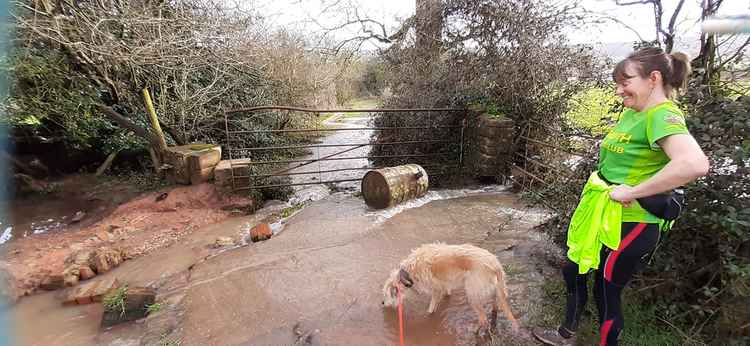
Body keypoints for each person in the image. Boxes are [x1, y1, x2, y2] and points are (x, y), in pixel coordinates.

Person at [532, 47, 710, 346]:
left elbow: (694, 164)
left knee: (606, 291)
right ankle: (566, 334)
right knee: (573, 268)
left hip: (632, 221)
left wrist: (634, 191)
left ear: (653, 78)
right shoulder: (633, 111)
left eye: (625, 81)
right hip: (604, 212)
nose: (619, 90)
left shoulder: (663, 115)